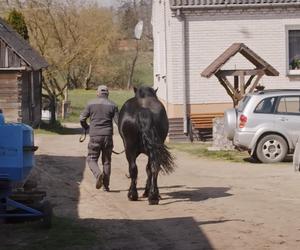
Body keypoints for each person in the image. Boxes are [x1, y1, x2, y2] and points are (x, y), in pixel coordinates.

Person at [80, 85, 118, 191]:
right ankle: (106, 186)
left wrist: (86, 127)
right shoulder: (113, 105)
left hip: (95, 135)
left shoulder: (90, 103)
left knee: (91, 159)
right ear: (108, 94)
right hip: (108, 136)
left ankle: (98, 174)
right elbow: (118, 122)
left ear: (97, 93)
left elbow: (82, 118)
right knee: (106, 161)